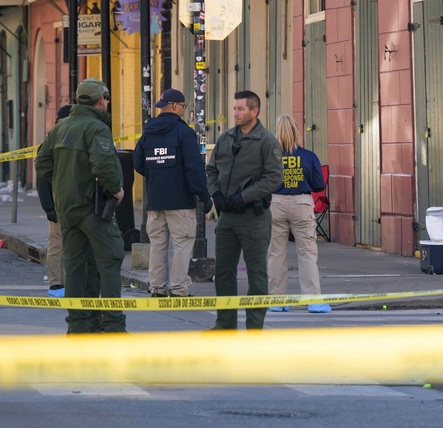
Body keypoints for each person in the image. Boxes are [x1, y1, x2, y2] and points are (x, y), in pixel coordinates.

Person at [35, 78, 127, 334]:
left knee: (76, 266)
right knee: (111, 257)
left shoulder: (60, 128)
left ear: (77, 100)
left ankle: (79, 326)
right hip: (91, 207)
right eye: (106, 99)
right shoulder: (96, 128)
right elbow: (103, 166)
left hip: (66, 208)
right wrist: (116, 190)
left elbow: (42, 165)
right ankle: (112, 325)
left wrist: (66, 179)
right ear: (101, 101)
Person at [206, 90, 283, 330]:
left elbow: (274, 178)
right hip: (227, 218)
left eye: (241, 109)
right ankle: (225, 325)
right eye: (235, 108)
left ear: (254, 111)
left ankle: (254, 329)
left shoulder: (266, 141)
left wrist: (244, 197)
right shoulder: (226, 138)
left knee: (256, 275)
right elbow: (211, 171)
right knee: (223, 272)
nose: (235, 113)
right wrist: (215, 194)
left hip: (253, 218)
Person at [133, 88, 212, 298]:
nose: (184, 111)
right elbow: (194, 168)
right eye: (184, 107)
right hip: (180, 201)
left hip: (156, 201)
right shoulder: (184, 132)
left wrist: (156, 175)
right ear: (176, 106)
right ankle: (179, 290)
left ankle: (157, 288)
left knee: (157, 246)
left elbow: (138, 163)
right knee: (182, 245)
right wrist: (203, 196)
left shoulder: (148, 132)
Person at [267, 114, 330, 313]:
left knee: (276, 254)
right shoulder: (308, 156)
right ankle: (313, 300)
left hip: (275, 203)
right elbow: (319, 184)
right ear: (297, 132)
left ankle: (277, 301)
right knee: (307, 253)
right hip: (301, 204)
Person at [38, 105, 72, 298]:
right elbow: (42, 177)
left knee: (67, 245)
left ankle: (65, 283)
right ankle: (57, 285)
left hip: (70, 203)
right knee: (58, 246)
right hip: (60, 204)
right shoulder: (52, 142)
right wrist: (49, 207)